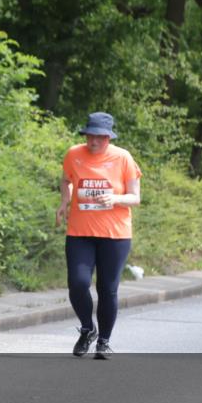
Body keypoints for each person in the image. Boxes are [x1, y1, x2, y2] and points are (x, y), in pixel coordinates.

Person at [55, 112, 142, 359]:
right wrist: (64, 201)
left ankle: (103, 342)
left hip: (115, 234)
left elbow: (135, 197)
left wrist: (115, 198)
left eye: (99, 137)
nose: (93, 141)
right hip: (80, 232)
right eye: (90, 136)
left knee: (108, 289)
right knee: (78, 283)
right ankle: (87, 329)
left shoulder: (123, 157)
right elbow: (66, 180)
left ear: (109, 137)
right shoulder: (74, 154)